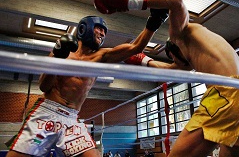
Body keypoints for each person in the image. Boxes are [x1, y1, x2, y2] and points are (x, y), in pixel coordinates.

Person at [93, 0, 239, 157]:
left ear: (174, 48)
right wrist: (143, 60)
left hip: (226, 94)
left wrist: (130, 1)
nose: (175, 62)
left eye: (173, 57)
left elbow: (176, 1)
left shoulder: (180, 34)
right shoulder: (196, 54)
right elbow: (170, 70)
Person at [5, 11, 168, 156]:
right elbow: (43, 86)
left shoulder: (101, 56)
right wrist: (57, 56)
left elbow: (135, 47)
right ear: (84, 28)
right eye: (100, 28)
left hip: (72, 119)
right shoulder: (63, 52)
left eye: (105, 31)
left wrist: (154, 22)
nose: (103, 33)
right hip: (47, 113)